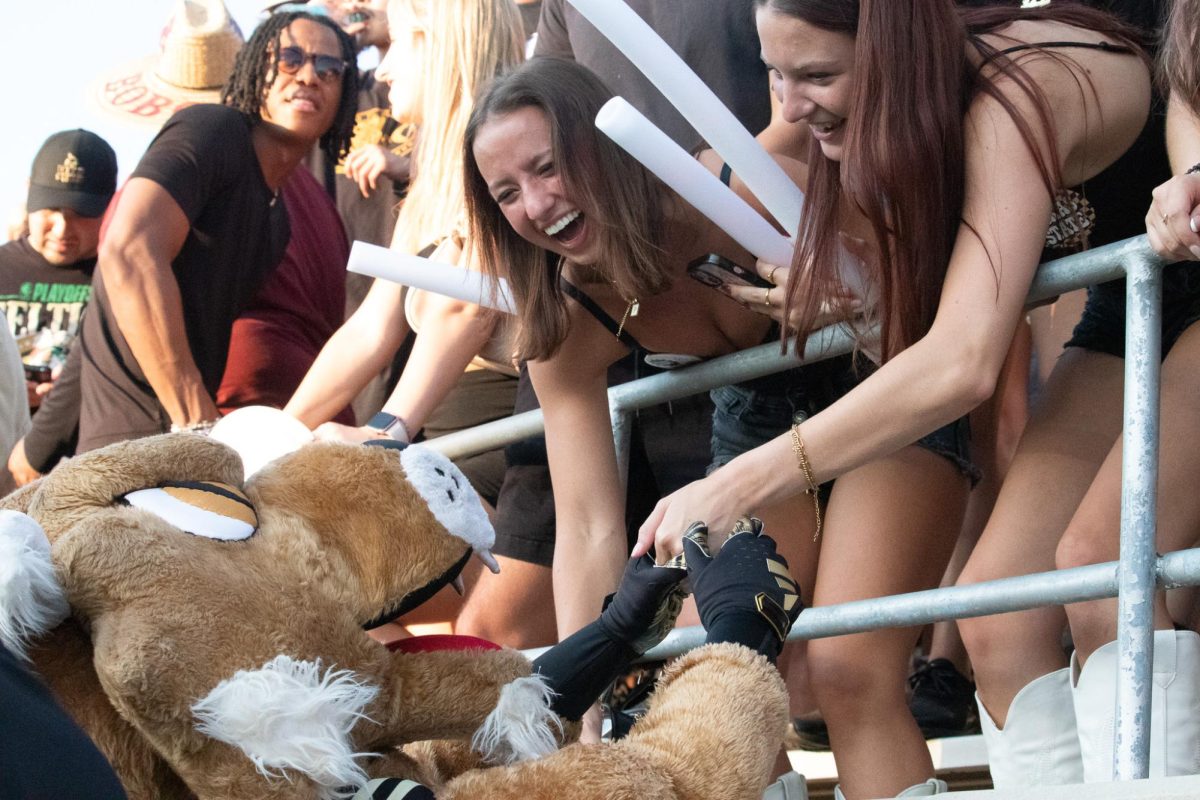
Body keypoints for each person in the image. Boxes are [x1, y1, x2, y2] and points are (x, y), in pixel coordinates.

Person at [626, 1, 1152, 797]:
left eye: (817, 75)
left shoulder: (1013, 95)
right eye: (775, 72)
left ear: (896, 52)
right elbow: (923, 322)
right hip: (1128, 304)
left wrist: (739, 480)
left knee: (1092, 574)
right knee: (997, 610)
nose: (791, 105)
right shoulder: (908, 99)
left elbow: (965, 361)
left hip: (1166, 285)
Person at [462, 56, 835, 726]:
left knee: (842, 676)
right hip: (759, 440)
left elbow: (916, 283)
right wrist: (583, 716)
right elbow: (585, 526)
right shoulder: (570, 316)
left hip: (878, 400)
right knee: (708, 688)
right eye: (508, 193)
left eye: (546, 167)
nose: (537, 204)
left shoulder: (730, 185)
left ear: (602, 142)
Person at [74, 10, 358, 452]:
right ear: (252, 69)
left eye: (329, 68)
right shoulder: (213, 128)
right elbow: (128, 251)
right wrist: (195, 418)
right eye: (289, 57)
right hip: (136, 441)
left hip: (183, 448)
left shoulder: (276, 212)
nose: (308, 75)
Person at [285, 0, 525, 511]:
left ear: (440, 43)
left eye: (396, 43)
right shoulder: (431, 181)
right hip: (436, 433)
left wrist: (385, 430)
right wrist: (272, 438)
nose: (385, 67)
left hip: (502, 440)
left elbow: (469, 302)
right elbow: (371, 328)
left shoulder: (500, 150)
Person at [1, 130, 116, 483]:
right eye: (51, 209)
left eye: (82, 213)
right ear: (29, 194)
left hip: (79, 466)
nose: (63, 227)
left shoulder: (115, 278)